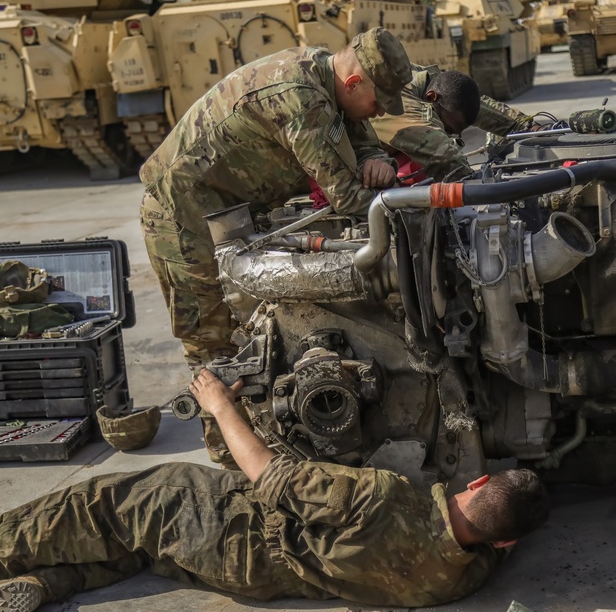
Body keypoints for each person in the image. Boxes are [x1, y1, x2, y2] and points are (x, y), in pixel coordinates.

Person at [0, 369, 552, 612]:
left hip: (229, 526)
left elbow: (267, 472)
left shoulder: (386, 497)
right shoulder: (462, 578)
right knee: (140, 551)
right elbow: (490, 537)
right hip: (263, 579)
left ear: (478, 479)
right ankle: (42, 587)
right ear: (509, 538)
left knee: (96, 505)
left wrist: (217, 404)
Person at [139, 28, 412, 467]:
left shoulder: (328, 76)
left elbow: (360, 138)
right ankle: (230, 457)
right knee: (213, 337)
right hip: (182, 213)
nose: (380, 112)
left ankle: (259, 438)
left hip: (229, 209)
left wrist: (377, 160)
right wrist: (409, 203)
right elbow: (345, 196)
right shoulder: (301, 97)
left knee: (254, 328)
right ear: (355, 81)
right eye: (378, 102)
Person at [370, 65, 542, 183]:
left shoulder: (430, 84)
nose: (445, 133)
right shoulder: (402, 102)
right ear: (430, 98)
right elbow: (442, 153)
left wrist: (524, 126)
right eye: (447, 129)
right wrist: (471, 182)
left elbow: (465, 100)